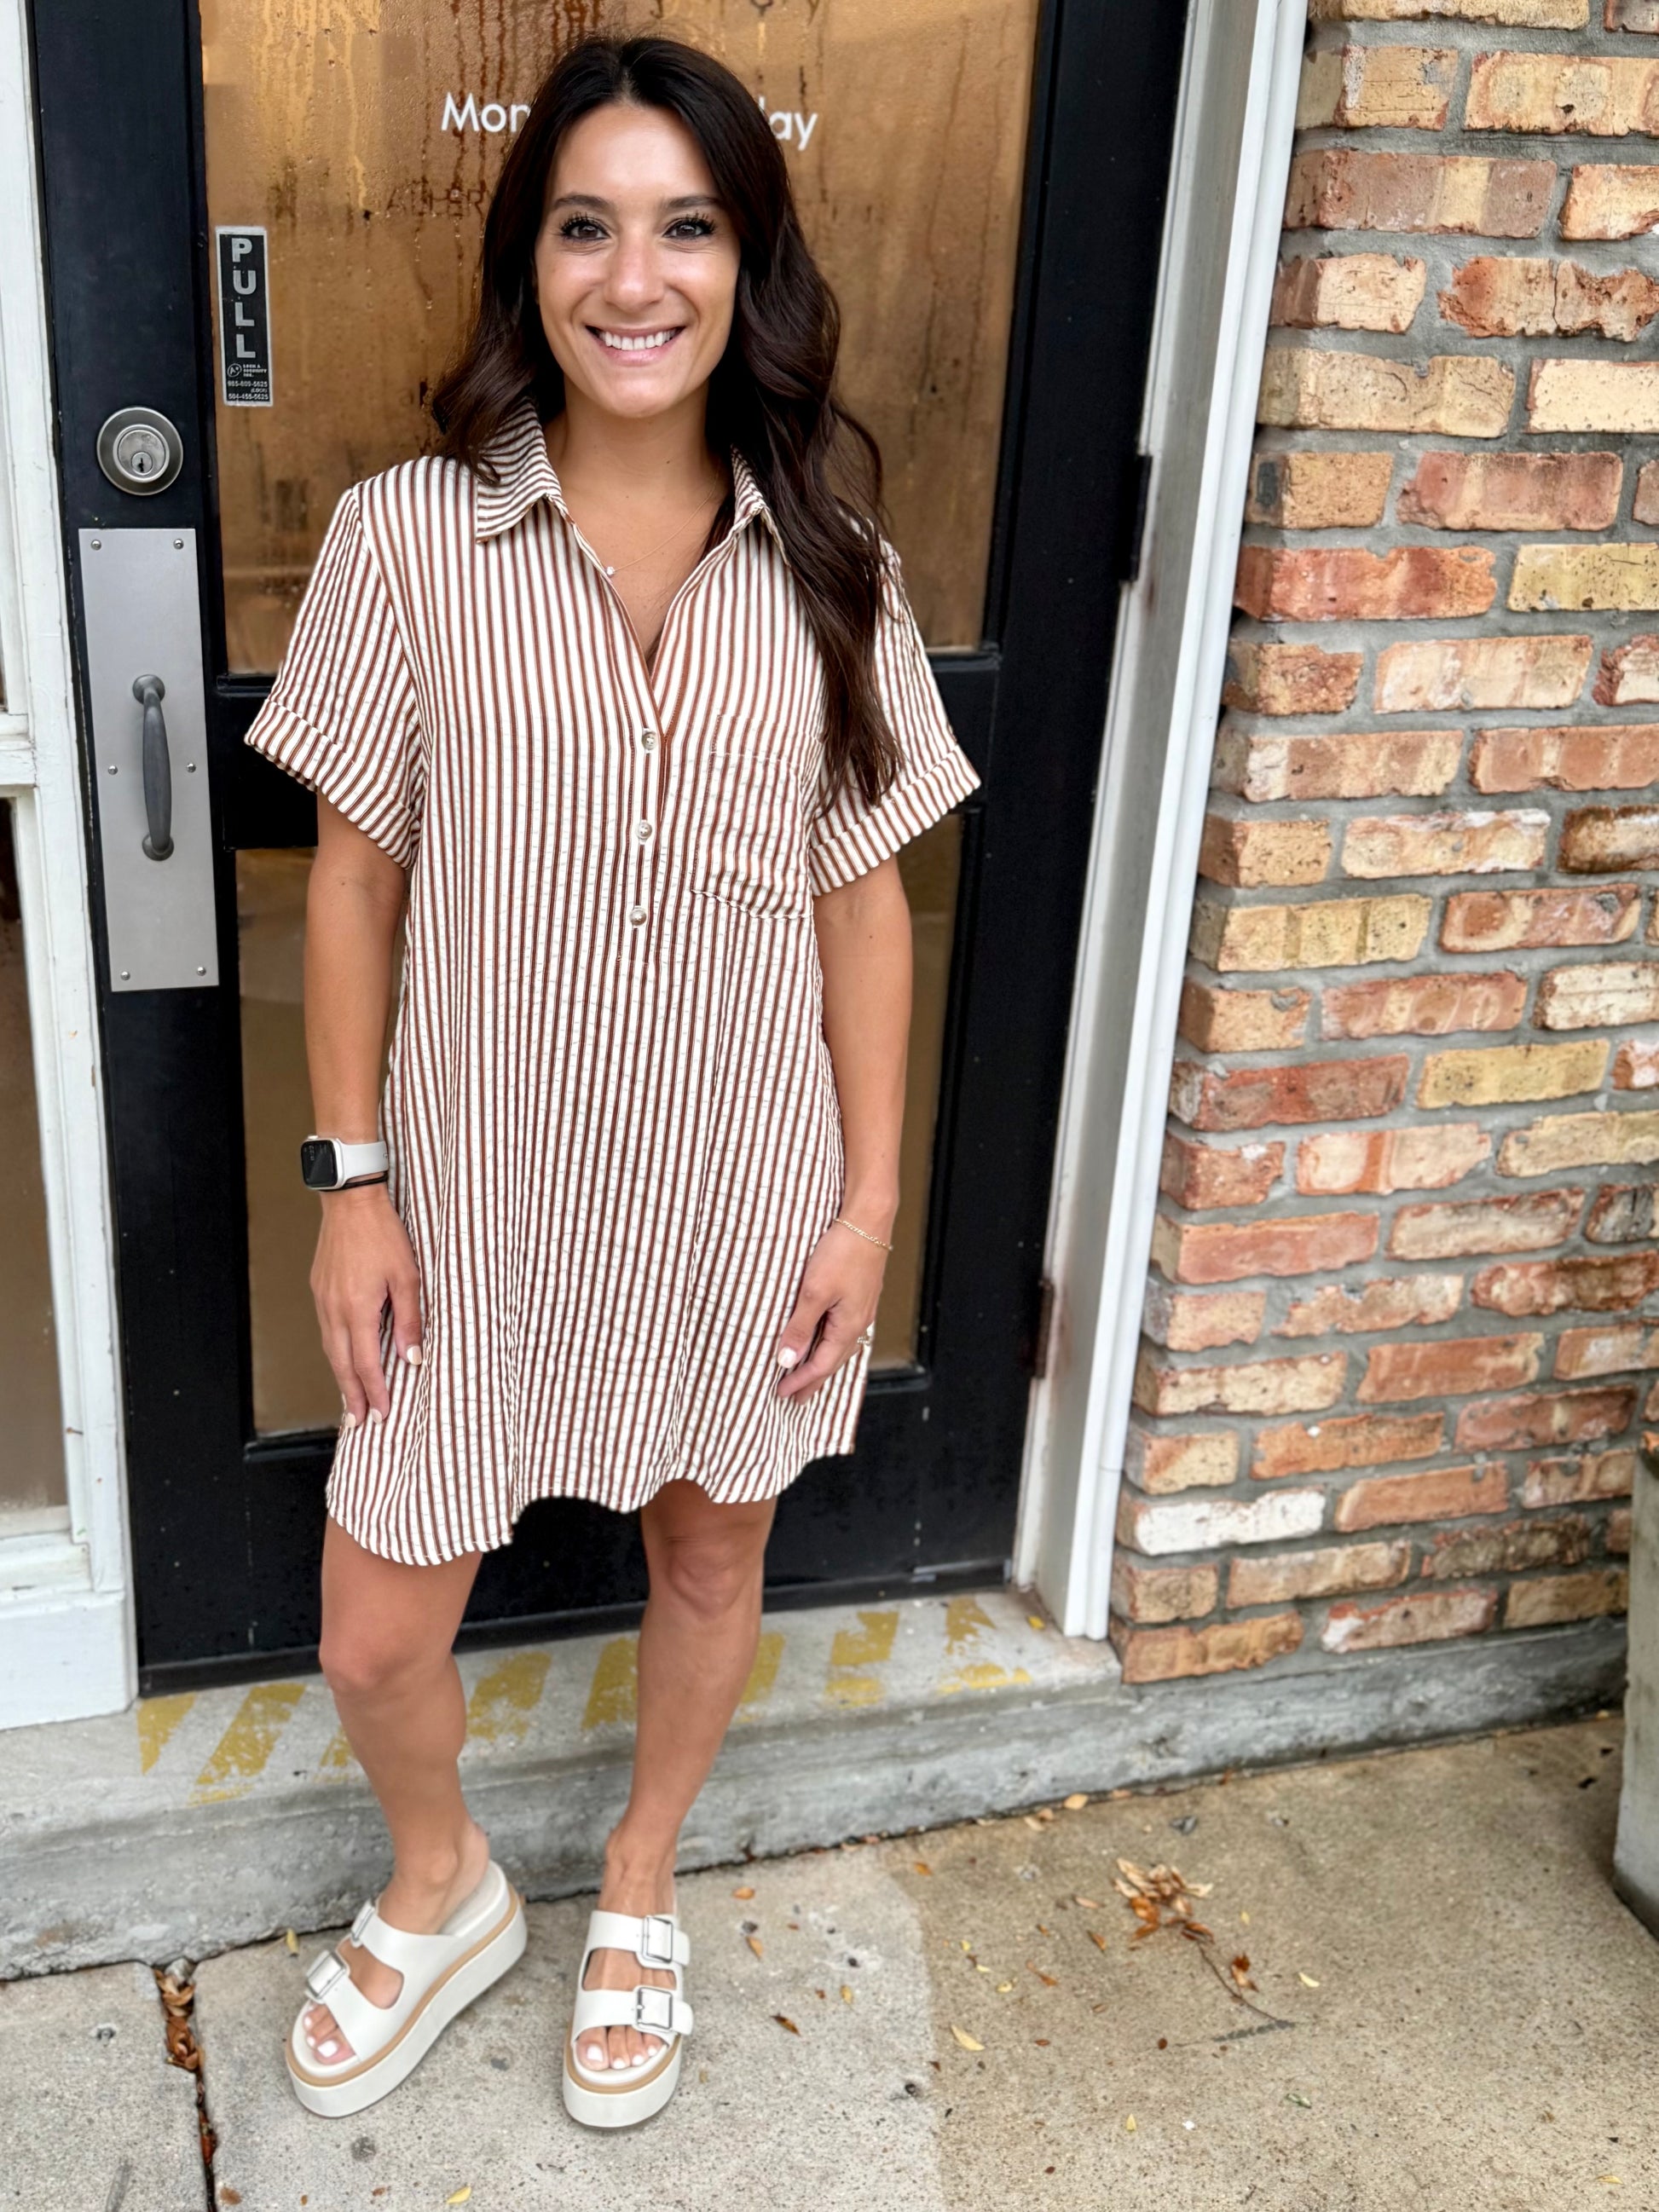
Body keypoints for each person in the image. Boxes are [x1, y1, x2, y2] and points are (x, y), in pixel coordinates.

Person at [243, 31, 980, 2129]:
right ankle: (445, 1880)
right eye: (586, 225)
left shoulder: (833, 561)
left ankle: (640, 1874)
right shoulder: (408, 538)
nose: (633, 278)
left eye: (686, 227)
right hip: (468, 1199)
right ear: (529, 259)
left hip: (741, 1189)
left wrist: (865, 1207)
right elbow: (354, 881)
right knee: (374, 1634)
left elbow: (863, 900)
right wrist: (351, 1181)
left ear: (748, 264)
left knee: (711, 1560)